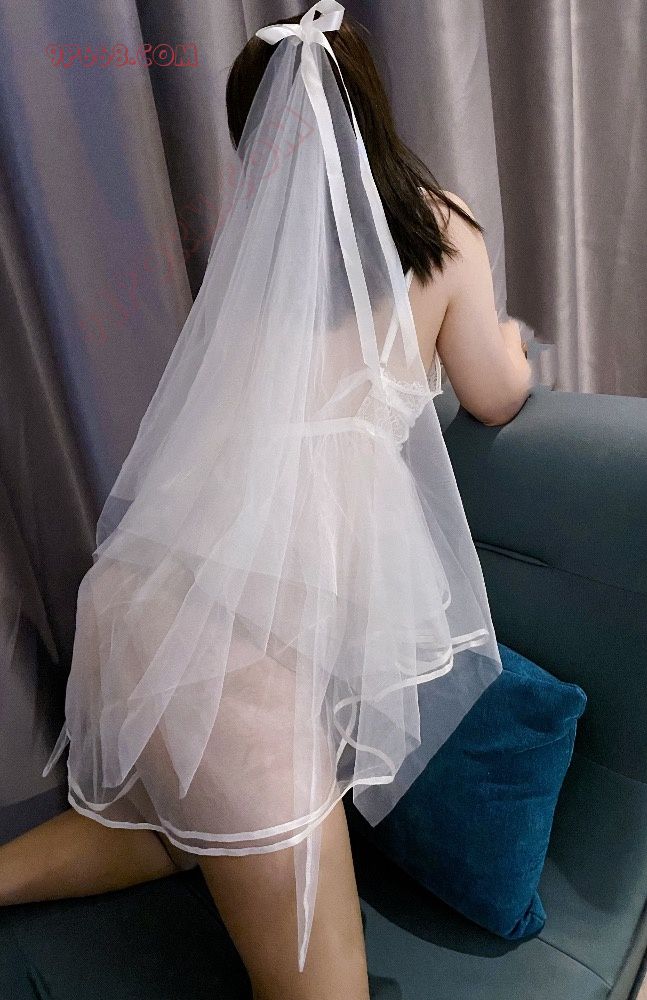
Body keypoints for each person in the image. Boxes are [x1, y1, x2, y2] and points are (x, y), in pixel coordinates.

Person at [1, 4, 532, 1000]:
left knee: (170, 829)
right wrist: (508, 342)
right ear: (372, 110)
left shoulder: (261, 263)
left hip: (144, 595)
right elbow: (495, 392)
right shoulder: (439, 230)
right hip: (232, 653)